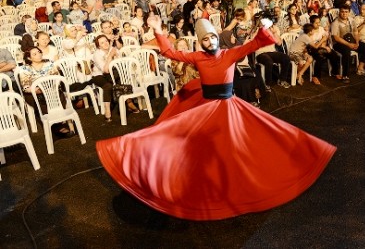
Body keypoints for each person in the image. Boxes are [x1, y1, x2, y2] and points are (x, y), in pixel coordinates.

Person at [96, 16, 336, 221]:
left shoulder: (230, 54)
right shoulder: (198, 57)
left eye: (211, 37)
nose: (209, 41)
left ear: (215, 36)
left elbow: (254, 44)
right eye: (204, 39)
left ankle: (238, 187)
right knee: (190, 148)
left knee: (245, 144)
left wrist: (264, 27)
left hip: (228, 108)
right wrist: (158, 30)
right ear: (200, 42)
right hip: (205, 109)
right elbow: (171, 53)